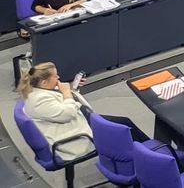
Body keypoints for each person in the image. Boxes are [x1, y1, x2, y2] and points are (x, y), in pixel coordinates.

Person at [21, 62, 151, 161]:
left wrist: (73, 88)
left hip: (83, 120)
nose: (59, 77)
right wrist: (66, 92)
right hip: (74, 136)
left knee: (123, 123)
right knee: (123, 128)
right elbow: (67, 114)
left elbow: (63, 103)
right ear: (44, 82)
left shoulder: (43, 91)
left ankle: (149, 151)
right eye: (55, 76)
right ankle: (150, 154)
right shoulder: (39, 100)